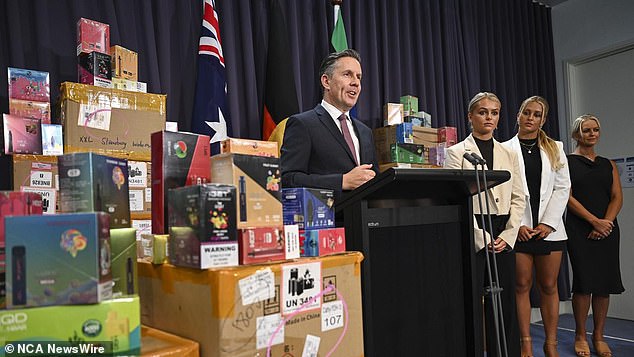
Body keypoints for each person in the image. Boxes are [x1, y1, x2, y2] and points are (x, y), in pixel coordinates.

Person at [444, 92, 525, 357]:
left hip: (503, 232)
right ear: (470, 116)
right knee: (471, 301)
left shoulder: (509, 153)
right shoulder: (456, 153)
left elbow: (518, 196)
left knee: (504, 305)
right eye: (482, 112)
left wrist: (510, 234)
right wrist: (481, 237)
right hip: (474, 230)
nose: (489, 117)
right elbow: (456, 199)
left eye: (494, 112)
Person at [502, 96, 570, 357]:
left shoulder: (555, 147)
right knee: (521, 285)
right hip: (519, 229)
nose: (531, 118)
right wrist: (517, 224)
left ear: (543, 120)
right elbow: (503, 189)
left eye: (537, 115)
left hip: (549, 231)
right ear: (518, 115)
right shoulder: (505, 148)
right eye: (526, 113)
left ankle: (550, 344)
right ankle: (526, 343)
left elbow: (563, 188)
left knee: (549, 286)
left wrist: (548, 224)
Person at [280, 49, 378, 200]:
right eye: (347, 74)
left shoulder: (365, 132)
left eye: (359, 77)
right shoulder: (303, 124)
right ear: (326, 81)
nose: (356, 82)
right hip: (329, 220)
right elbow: (287, 179)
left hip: (366, 220)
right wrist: (342, 181)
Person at [566, 115, 623, 357]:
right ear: (577, 134)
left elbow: (616, 197)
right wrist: (593, 221)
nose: (592, 134)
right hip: (580, 228)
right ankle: (580, 335)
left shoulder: (608, 163)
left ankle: (598, 336)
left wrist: (606, 223)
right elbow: (566, 197)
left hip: (608, 230)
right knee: (584, 283)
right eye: (586, 130)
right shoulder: (566, 162)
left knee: (603, 285)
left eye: (596, 130)